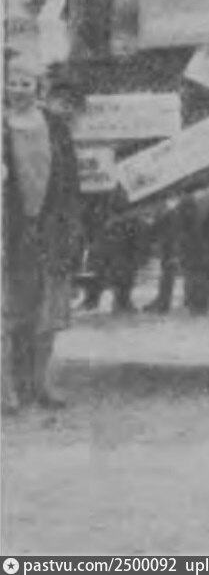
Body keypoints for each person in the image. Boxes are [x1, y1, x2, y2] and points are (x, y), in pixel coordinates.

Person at [2, 50, 83, 415]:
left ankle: (40, 384)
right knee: (12, 311)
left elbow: (70, 182)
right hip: (12, 233)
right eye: (13, 83)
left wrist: (71, 227)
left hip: (50, 230)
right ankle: (8, 389)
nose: (19, 89)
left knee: (48, 315)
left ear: (38, 87)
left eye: (26, 83)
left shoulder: (55, 125)